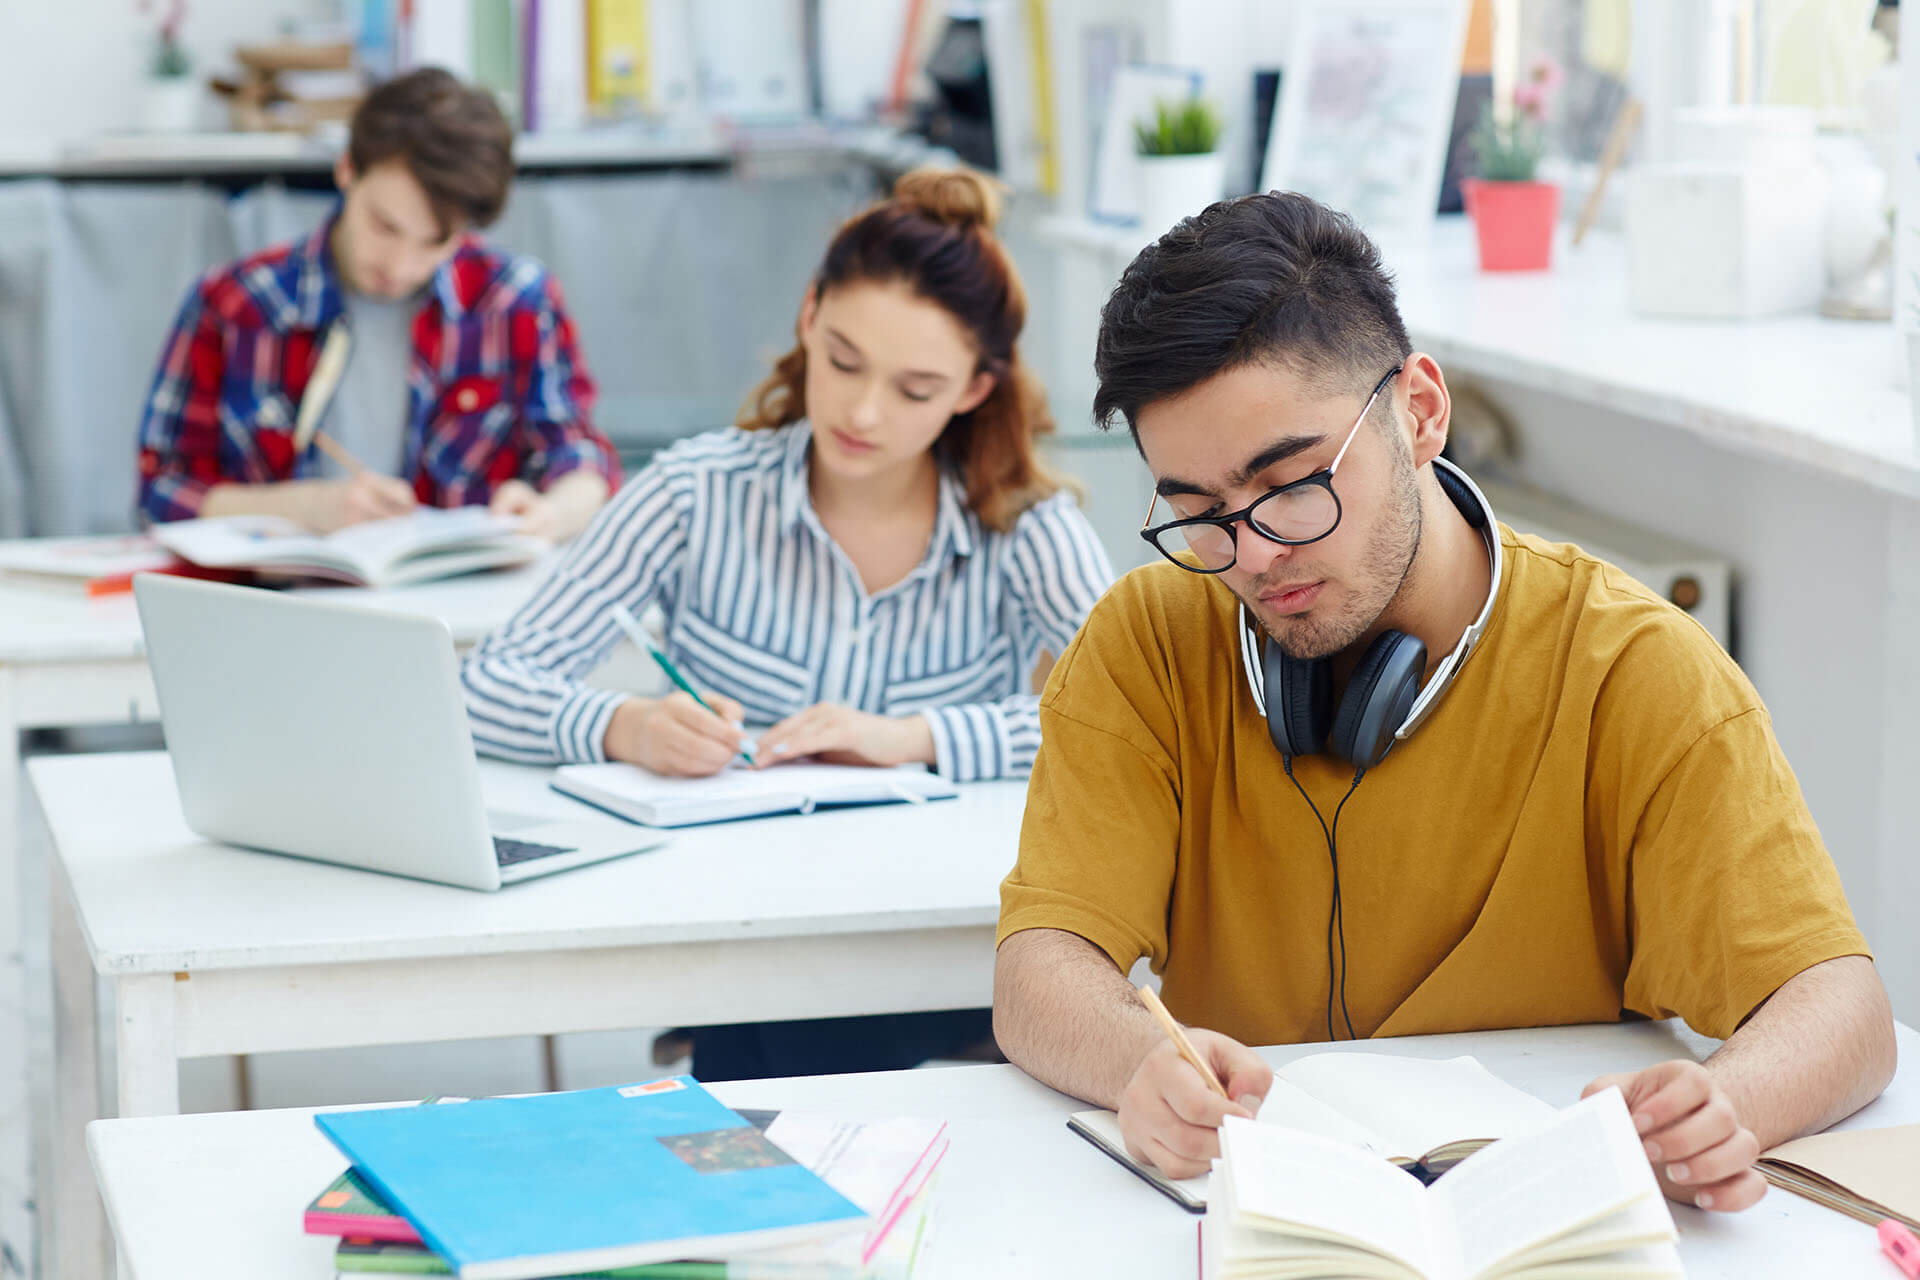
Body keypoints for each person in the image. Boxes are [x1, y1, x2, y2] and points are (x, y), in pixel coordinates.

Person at [992, 191, 1895, 1214]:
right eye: (1200, 515)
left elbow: (1842, 1006)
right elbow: (1039, 968)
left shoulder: (1636, 670)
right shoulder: (1145, 642)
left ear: (1420, 412)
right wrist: (1132, 1061)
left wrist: (1721, 1104)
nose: (1254, 555)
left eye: (1292, 484)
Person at [463, 166, 1114, 1080]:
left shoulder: (1024, 522)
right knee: (778, 1034)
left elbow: (1134, 719)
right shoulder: (696, 492)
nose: (861, 411)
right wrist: (625, 726)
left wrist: (915, 738)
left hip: (933, 934)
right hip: (733, 922)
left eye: (915, 388)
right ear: (808, 317)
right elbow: (484, 685)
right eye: (844, 361)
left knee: (775, 1044)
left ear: (974, 388)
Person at [135, 68, 618, 540]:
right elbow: (163, 492)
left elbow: (581, 458)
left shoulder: (518, 302)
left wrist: (550, 513)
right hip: (280, 603)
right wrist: (303, 508)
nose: (401, 264)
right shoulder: (235, 303)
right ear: (347, 169)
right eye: (384, 226)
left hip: (459, 609)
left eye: (435, 242)